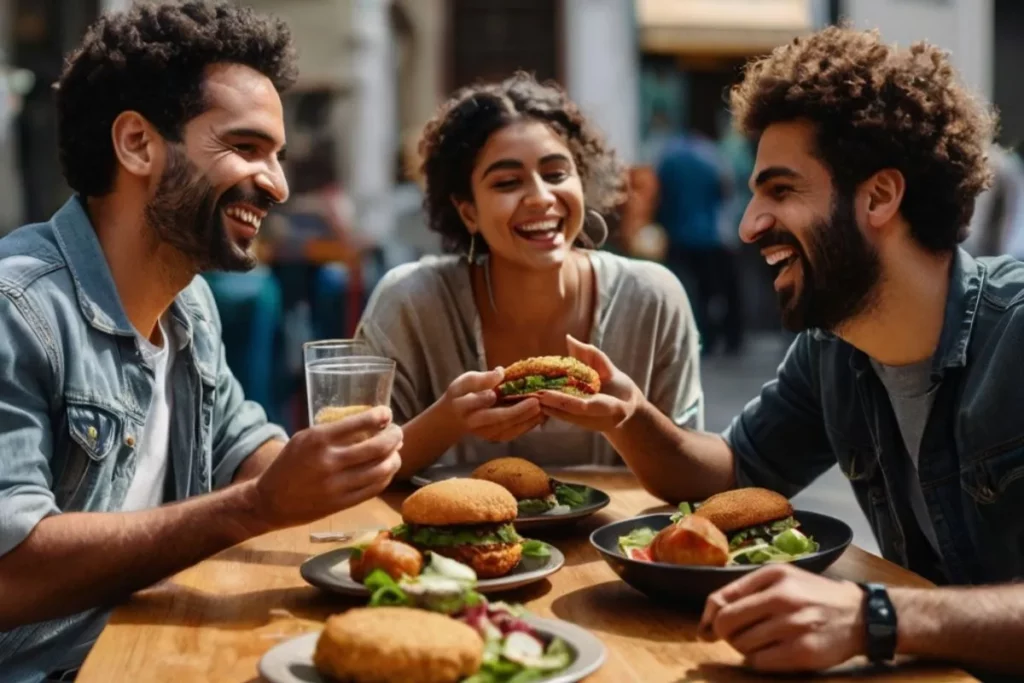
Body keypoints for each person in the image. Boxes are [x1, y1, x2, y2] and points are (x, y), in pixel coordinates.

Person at [543, 26, 1024, 678]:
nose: (748, 225)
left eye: (780, 189)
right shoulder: (834, 347)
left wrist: (871, 618)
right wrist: (629, 416)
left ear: (879, 196)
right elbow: (734, 475)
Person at [0, 4, 403, 681]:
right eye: (245, 148)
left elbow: (246, 448)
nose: (276, 184)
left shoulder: (189, 306)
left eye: (277, 155)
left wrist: (340, 470)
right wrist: (256, 506)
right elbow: (9, 574)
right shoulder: (18, 311)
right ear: (136, 143)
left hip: (156, 651)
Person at [355, 72, 703, 478]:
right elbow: (353, 467)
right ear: (468, 211)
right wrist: (447, 421)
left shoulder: (652, 298)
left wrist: (630, 418)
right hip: (450, 540)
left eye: (556, 174)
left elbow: (692, 472)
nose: (540, 197)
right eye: (507, 182)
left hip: (616, 539)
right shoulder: (411, 302)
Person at [656, 125, 743, 355]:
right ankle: (731, 339)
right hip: (713, 236)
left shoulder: (669, 156)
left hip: (680, 236)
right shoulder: (712, 156)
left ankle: (706, 338)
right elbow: (725, 191)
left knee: (692, 293)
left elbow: (661, 196)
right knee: (722, 292)